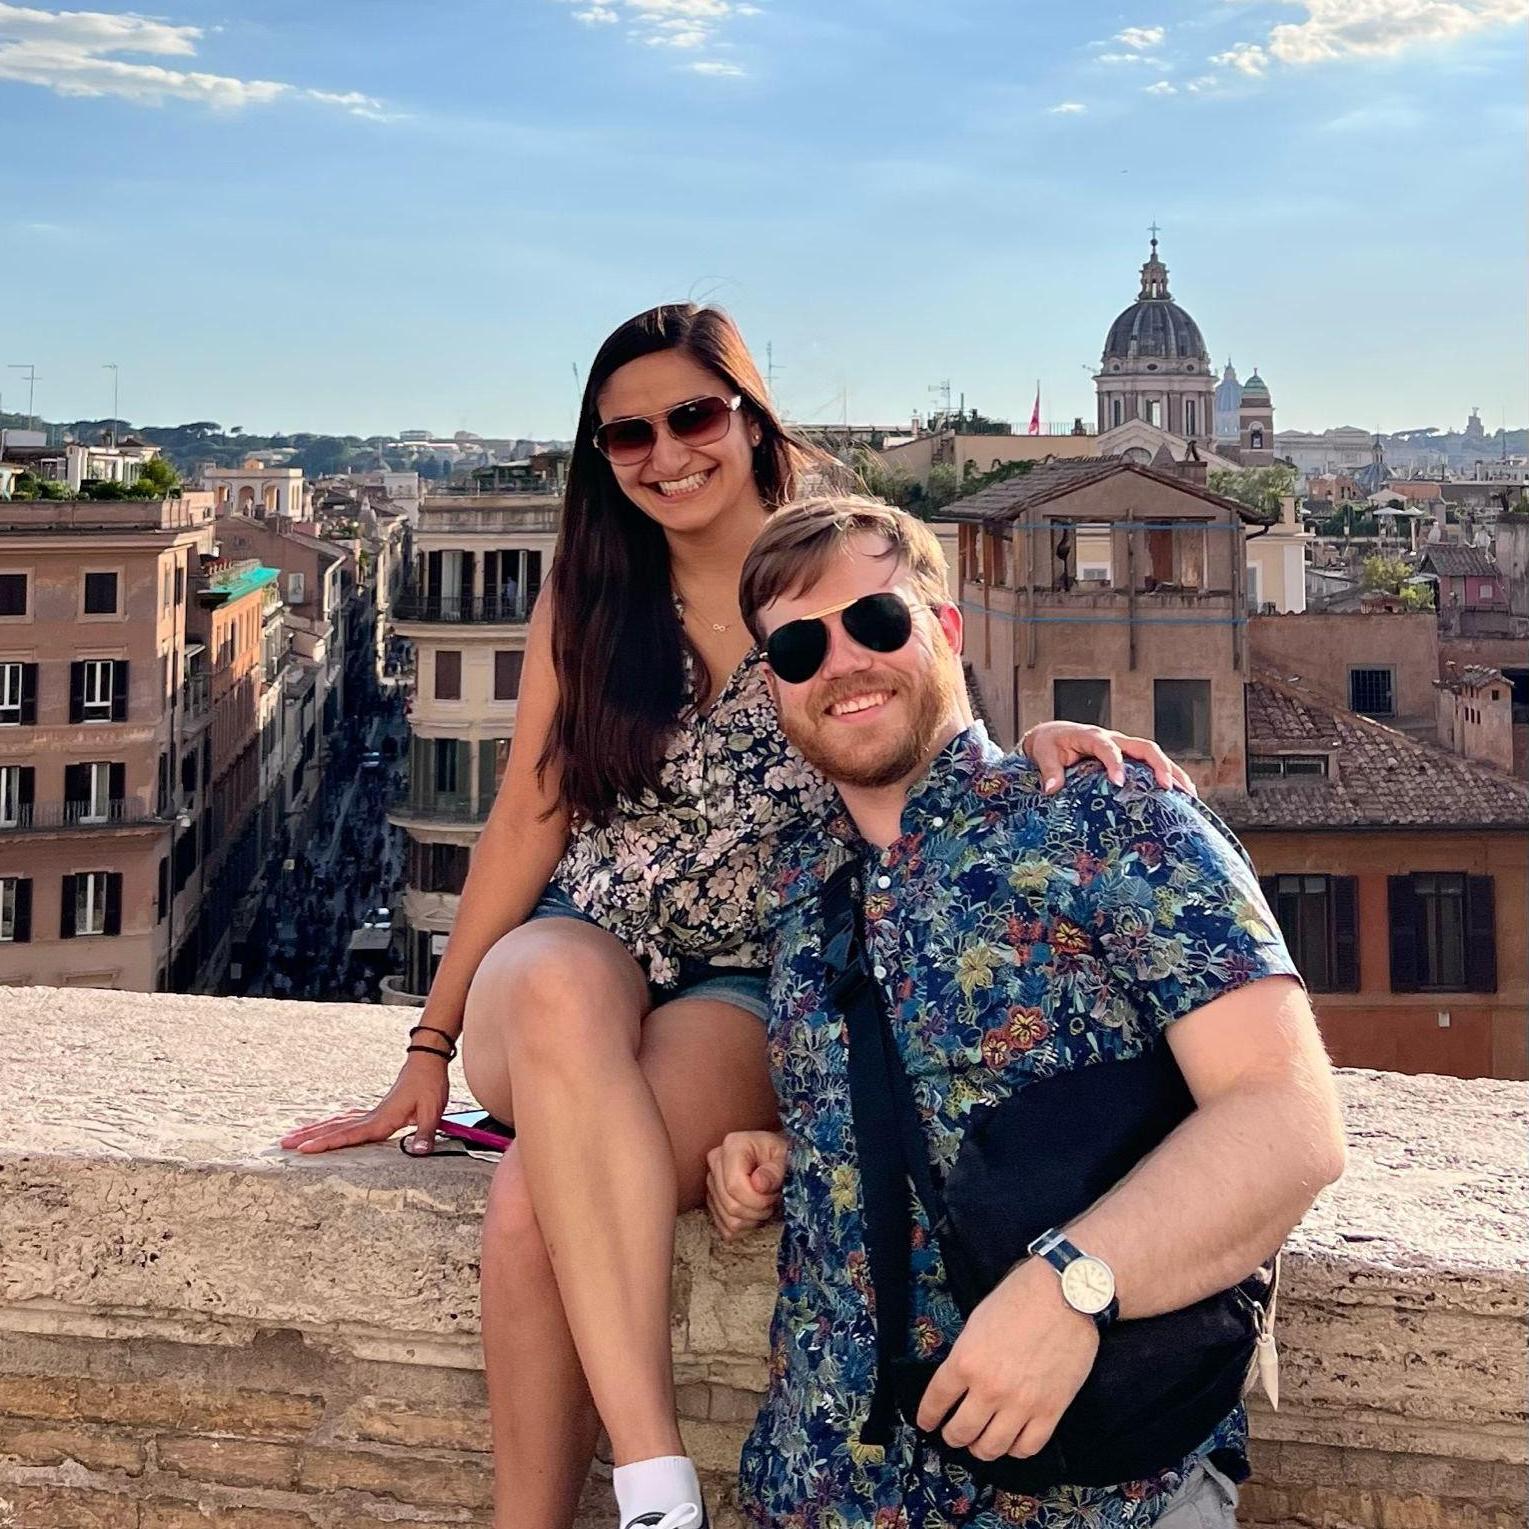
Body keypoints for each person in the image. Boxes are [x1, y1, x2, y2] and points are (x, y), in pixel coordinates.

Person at [278, 306, 1195, 1529]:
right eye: (626, 434)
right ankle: (659, 1484)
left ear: (751, 418)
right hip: (574, 953)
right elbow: (526, 816)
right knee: (553, 984)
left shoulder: (827, 573)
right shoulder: (590, 595)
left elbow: (921, 717)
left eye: (692, 416)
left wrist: (1036, 743)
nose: (665, 452)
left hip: (746, 981)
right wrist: (426, 1049)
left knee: (533, 1204)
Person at [706, 495, 1348, 1528]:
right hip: (823, 1486)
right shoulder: (795, 892)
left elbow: (1287, 1120)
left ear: (946, 630)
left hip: (1100, 1498)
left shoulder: (1109, 814)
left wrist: (1071, 1285)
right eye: (794, 645)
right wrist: (787, 1148)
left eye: (875, 622)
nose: (841, 662)